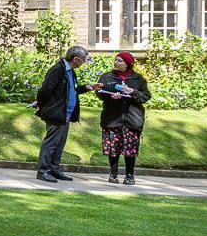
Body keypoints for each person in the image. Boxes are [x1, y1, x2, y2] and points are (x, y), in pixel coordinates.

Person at [31, 46, 101, 183]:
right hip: (56, 113)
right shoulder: (57, 70)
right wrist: (40, 103)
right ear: (76, 59)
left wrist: (87, 87)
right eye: (83, 60)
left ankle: (54, 170)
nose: (83, 63)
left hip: (66, 114)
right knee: (51, 143)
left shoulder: (71, 72)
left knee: (59, 144)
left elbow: (72, 90)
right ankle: (43, 171)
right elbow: (45, 89)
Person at [96, 51, 151, 185]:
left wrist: (133, 92)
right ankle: (113, 174)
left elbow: (146, 96)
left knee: (130, 148)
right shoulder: (107, 76)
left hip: (132, 118)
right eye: (115, 60)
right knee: (112, 147)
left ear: (127, 64)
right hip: (112, 118)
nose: (116, 62)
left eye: (119, 60)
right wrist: (110, 96)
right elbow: (99, 92)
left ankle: (129, 175)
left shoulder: (138, 79)